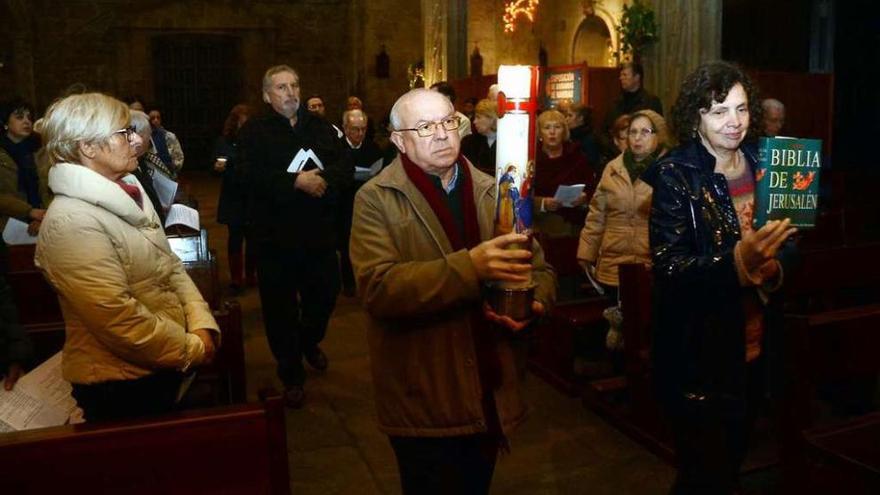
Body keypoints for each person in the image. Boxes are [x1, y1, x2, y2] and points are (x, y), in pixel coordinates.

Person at [349, 88, 556, 495]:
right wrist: (471, 267)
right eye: (425, 127)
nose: (442, 134)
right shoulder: (376, 199)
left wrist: (533, 301)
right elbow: (379, 288)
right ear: (398, 140)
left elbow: (540, 267)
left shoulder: (496, 189)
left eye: (449, 122)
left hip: (487, 385)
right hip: (423, 387)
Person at [642, 61, 797, 494]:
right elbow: (670, 268)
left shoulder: (763, 162)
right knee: (702, 472)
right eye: (719, 111)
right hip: (700, 352)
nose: (734, 122)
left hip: (756, 342)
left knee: (732, 464)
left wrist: (776, 265)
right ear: (696, 117)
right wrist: (737, 263)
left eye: (742, 109)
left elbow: (791, 241)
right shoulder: (677, 175)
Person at [35, 93, 219, 422]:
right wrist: (191, 348)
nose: (135, 140)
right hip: (120, 383)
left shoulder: (126, 190)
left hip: (163, 363)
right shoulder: (71, 221)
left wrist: (202, 325)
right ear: (87, 147)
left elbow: (171, 268)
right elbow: (118, 320)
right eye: (123, 133)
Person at [238, 65, 352, 408]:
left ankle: (307, 340)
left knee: (326, 296)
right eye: (281, 87)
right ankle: (291, 373)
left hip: (318, 235)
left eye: (294, 85)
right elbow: (245, 175)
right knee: (279, 309)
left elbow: (344, 167)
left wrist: (323, 181)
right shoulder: (254, 132)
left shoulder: (321, 128)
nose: (290, 93)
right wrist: (294, 182)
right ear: (266, 95)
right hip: (275, 239)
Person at [578, 110, 670, 302]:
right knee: (616, 324)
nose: (637, 138)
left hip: (652, 263)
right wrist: (586, 253)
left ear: (658, 136)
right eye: (632, 132)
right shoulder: (612, 168)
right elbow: (597, 215)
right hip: (614, 262)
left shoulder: (668, 169)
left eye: (645, 132)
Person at [338, 108, 382, 296]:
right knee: (346, 243)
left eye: (363, 129)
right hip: (343, 204)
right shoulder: (335, 149)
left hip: (368, 203)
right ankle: (348, 283)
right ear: (345, 128)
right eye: (355, 129)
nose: (359, 133)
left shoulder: (373, 149)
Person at [532, 109, 596, 239]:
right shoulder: (531, 159)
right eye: (547, 127)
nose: (552, 132)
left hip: (574, 227)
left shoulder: (577, 156)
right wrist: (543, 203)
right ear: (540, 132)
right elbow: (523, 195)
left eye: (557, 127)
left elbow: (593, 187)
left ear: (564, 131)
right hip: (541, 227)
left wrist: (584, 198)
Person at [214, 103, 256, 293]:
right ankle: (236, 278)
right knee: (235, 238)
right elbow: (217, 164)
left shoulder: (255, 141)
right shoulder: (224, 141)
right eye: (241, 123)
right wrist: (220, 166)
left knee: (253, 237)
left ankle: (251, 275)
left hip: (252, 195)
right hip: (233, 196)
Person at [129, 110, 169, 224]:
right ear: (139, 136)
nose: (150, 140)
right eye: (149, 135)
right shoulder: (128, 168)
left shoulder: (140, 161)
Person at [603, 62, 664, 135]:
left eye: (625, 75)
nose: (621, 78)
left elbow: (658, 130)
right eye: (621, 75)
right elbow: (606, 130)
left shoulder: (651, 102)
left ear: (636, 77)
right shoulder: (616, 103)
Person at [459, 98, 497, 176]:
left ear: (492, 118)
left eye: (478, 117)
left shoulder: (507, 143)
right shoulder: (468, 142)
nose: (474, 121)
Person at [148, 108, 185, 177]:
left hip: (169, 172)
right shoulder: (146, 137)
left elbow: (179, 156)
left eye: (158, 118)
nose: (156, 120)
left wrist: (173, 167)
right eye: (152, 118)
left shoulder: (170, 136)